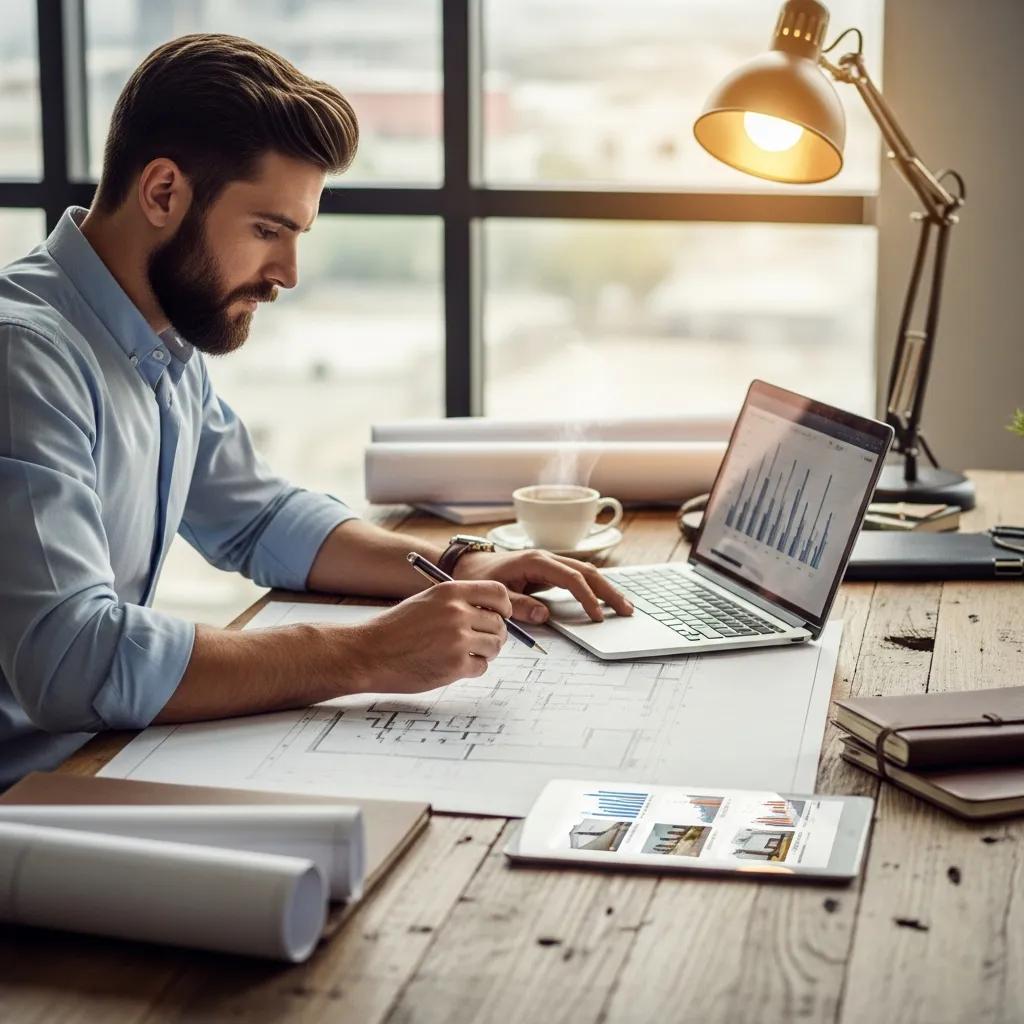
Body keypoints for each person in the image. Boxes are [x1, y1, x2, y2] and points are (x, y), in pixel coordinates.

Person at [0, 34, 632, 787]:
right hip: (28, 799)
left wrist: (463, 565)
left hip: (94, 764)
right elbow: (72, 660)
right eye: (267, 230)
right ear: (163, 192)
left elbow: (258, 517)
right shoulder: (25, 358)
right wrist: (366, 653)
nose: (288, 273)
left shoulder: (156, 336)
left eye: (296, 235)